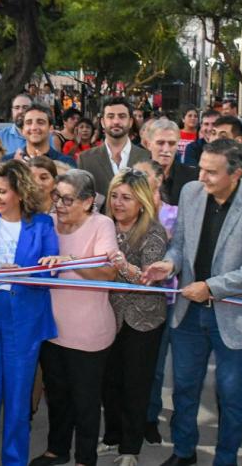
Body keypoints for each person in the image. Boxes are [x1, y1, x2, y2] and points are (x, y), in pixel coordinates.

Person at [143, 139, 242, 466]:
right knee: (184, 389)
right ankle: (184, 451)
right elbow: (180, 245)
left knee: (232, 396)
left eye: (211, 172)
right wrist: (169, 265)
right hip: (188, 314)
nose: (202, 176)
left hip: (234, 317)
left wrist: (211, 287)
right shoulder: (191, 192)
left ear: (236, 174)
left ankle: (225, 458)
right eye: (201, 168)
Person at [0, 160, 59, 466]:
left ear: (19, 192)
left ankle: (14, 460)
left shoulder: (42, 224)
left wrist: (25, 274)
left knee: (18, 399)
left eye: (2, 191)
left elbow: (51, 274)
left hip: (24, 321)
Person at [30, 170, 117, 466]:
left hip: (88, 333)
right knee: (57, 396)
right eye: (57, 197)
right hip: (51, 329)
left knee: (86, 401)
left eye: (67, 199)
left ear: (88, 201)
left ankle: (85, 458)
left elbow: (108, 273)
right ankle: (57, 449)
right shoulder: (48, 222)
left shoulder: (101, 225)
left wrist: (72, 261)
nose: (59, 205)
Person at [98, 169, 169, 466]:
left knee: (136, 384)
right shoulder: (104, 226)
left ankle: (130, 447)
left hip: (144, 320)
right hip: (108, 316)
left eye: (126, 197)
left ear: (141, 201)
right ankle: (112, 437)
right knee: (110, 381)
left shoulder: (154, 231)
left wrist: (122, 266)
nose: (118, 203)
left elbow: (148, 278)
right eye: (114, 196)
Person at [77, 98, 150, 202]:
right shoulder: (86, 159)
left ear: (130, 122)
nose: (116, 121)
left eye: (122, 116)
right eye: (110, 116)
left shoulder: (146, 157)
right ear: (102, 122)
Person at [140, 118, 199, 207]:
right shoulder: (137, 176)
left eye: (171, 143)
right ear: (149, 145)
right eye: (160, 143)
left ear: (177, 145)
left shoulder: (192, 177)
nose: (166, 149)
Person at [2, 104, 76, 167]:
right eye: (29, 123)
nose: (34, 127)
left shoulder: (66, 163)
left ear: (50, 128)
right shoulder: (7, 163)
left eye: (40, 122)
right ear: (22, 130)